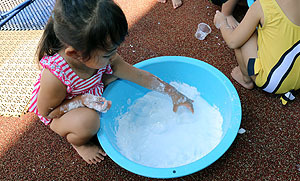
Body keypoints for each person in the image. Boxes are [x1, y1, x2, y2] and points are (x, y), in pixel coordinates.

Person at [29, 0, 194, 165]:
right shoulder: (55, 76)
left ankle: (93, 89)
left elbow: (139, 76)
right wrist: (81, 101)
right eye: (107, 54)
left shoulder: (96, 55)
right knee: (89, 121)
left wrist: (174, 93)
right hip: (59, 111)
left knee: (117, 74)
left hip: (87, 89)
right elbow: (48, 113)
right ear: (75, 54)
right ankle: (78, 143)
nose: (114, 55)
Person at [214, 0, 300, 104]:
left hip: (272, 82)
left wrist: (222, 22)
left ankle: (246, 79)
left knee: (244, 35)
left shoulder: (263, 5)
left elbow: (233, 42)